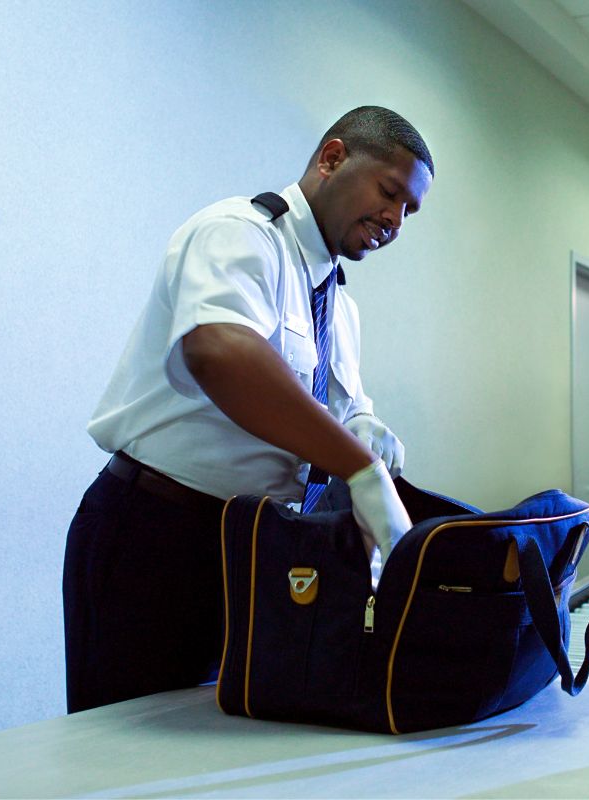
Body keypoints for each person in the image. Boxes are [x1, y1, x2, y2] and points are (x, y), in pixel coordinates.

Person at [63, 106, 434, 714]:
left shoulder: (338, 305)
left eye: (409, 211)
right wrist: (357, 468)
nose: (394, 220)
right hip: (157, 537)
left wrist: (363, 430)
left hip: (255, 548)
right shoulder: (239, 233)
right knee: (128, 754)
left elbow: (332, 410)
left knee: (219, 750)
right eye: (389, 192)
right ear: (332, 158)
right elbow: (220, 351)